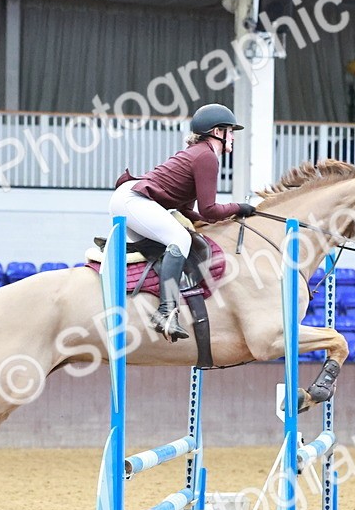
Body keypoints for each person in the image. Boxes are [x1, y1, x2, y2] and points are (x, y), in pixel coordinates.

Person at [108, 103, 257, 342]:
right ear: (217, 132)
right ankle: (166, 311)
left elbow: (188, 210)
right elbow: (209, 210)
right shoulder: (206, 156)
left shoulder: (197, 153)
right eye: (231, 131)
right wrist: (240, 208)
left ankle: (147, 303)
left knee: (168, 248)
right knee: (180, 239)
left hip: (130, 201)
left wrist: (217, 221)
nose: (233, 138)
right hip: (133, 201)